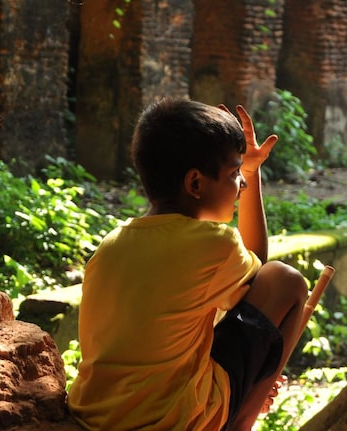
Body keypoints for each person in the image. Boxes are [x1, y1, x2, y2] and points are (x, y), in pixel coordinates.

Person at [67, 97, 309, 431]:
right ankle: (239, 423)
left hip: (94, 415)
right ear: (195, 183)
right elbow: (264, 276)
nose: (243, 184)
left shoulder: (111, 243)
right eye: (235, 173)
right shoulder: (214, 244)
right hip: (172, 421)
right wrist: (255, 171)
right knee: (288, 280)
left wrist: (242, 168)